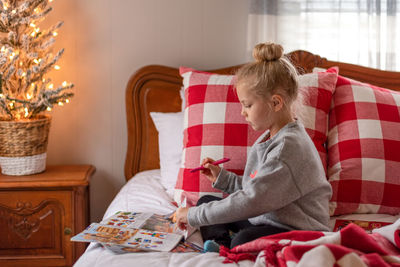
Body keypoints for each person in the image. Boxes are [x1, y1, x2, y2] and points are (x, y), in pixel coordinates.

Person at [175, 42, 332, 252]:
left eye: (247, 105)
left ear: (276, 103)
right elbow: (257, 187)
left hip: (299, 230)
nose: (242, 112)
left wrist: (193, 215)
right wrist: (223, 179)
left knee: (243, 238)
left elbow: (252, 199)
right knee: (206, 201)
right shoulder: (271, 137)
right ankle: (221, 245)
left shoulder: (288, 148)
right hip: (266, 216)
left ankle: (230, 246)